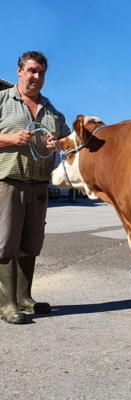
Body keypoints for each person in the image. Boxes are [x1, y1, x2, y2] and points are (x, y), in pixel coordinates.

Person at [0, 51, 71, 324]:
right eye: (31, 71)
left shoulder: (52, 111)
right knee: (6, 243)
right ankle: (6, 304)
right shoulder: (3, 101)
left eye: (41, 72)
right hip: (8, 182)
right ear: (19, 71)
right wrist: (10, 138)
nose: (37, 77)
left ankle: (25, 297)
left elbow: (68, 141)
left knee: (31, 243)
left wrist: (59, 144)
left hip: (39, 185)